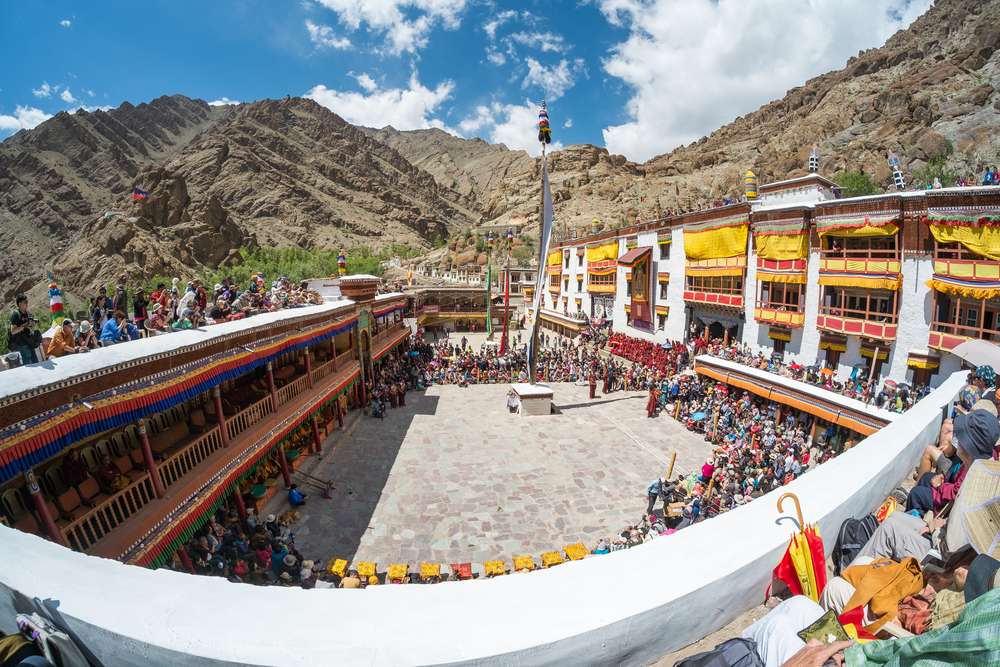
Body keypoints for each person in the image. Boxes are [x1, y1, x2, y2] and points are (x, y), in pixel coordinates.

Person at [8, 293, 39, 365]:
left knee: (35, 362)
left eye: (27, 301)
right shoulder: (16, 314)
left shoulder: (28, 313)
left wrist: (32, 324)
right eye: (25, 302)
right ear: (19, 304)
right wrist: (25, 325)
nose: (27, 304)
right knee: (28, 365)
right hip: (21, 345)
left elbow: (30, 327)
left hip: (29, 342)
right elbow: (13, 331)